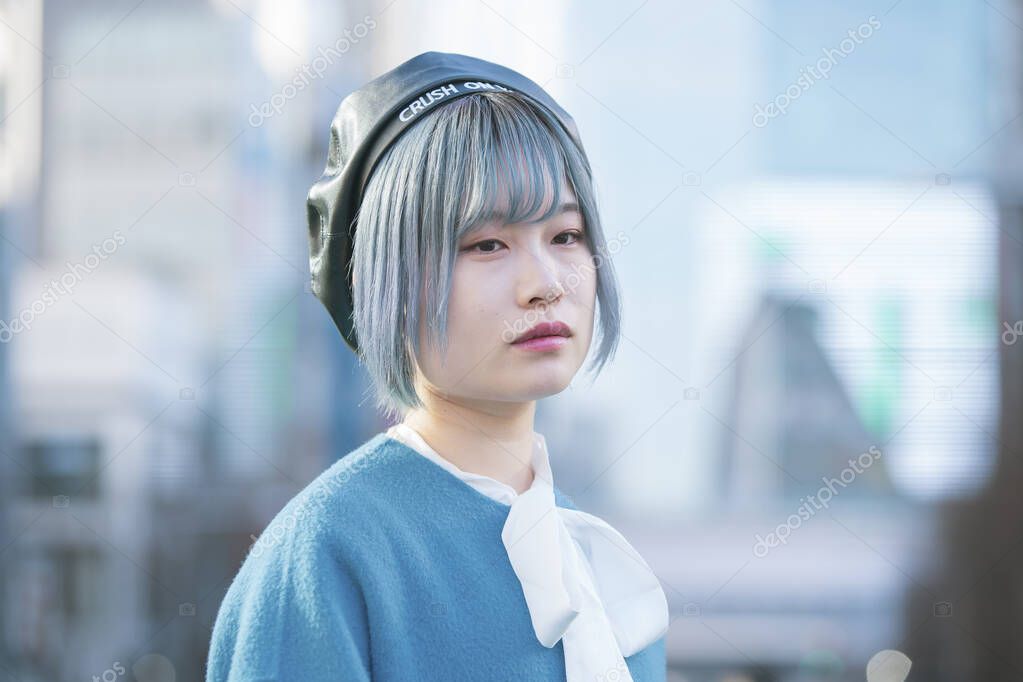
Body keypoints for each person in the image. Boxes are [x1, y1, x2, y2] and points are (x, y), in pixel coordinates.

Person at [205, 50, 669, 682]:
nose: (545, 284)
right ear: (386, 278)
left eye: (565, 235)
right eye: (486, 244)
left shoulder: (596, 562)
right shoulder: (329, 555)